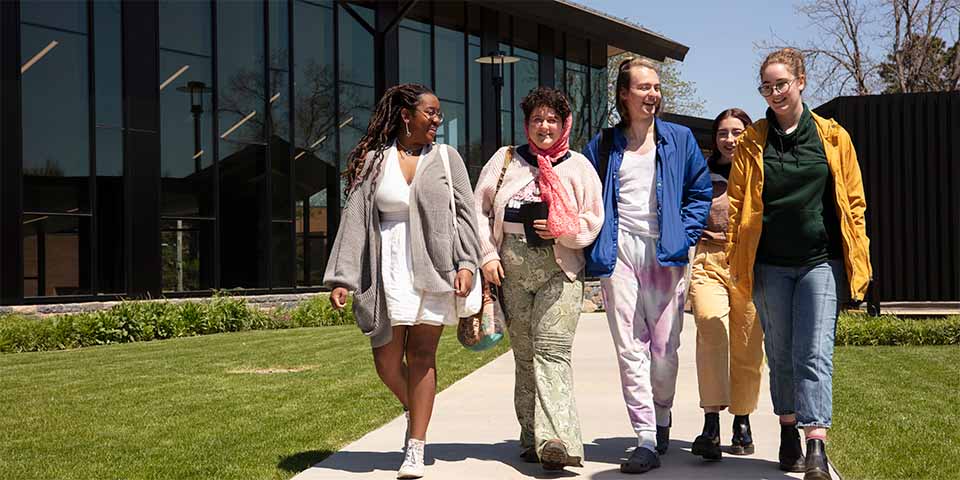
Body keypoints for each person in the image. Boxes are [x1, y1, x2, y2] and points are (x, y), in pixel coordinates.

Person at [721, 48, 871, 480]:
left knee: (814, 353)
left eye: (781, 84)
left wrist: (857, 251)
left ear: (801, 81)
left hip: (818, 262)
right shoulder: (753, 141)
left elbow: (854, 202)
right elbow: (736, 205)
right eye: (766, 87)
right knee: (781, 354)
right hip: (768, 264)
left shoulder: (833, 137)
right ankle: (788, 428)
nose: (774, 93)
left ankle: (816, 446)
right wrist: (736, 256)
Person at [324, 83, 480, 479]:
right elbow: (355, 219)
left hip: (435, 266)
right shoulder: (373, 162)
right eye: (430, 112)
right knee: (387, 359)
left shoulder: (447, 158)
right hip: (387, 268)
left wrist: (466, 263)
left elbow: (465, 215)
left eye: (439, 113)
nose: (437, 119)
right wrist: (342, 277)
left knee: (423, 356)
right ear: (405, 116)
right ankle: (416, 410)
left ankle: (416, 446)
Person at [583, 57, 712, 474]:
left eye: (656, 87)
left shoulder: (679, 139)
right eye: (643, 87)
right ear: (624, 94)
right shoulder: (603, 145)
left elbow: (700, 190)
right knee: (629, 346)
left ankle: (662, 413)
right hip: (618, 251)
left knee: (664, 350)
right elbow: (582, 190)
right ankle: (644, 437)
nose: (653, 94)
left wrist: (686, 234)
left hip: (665, 253)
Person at [474, 86, 603, 472]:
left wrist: (562, 230)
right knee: (525, 358)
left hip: (560, 271)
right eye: (537, 119)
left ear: (565, 124)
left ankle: (557, 439)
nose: (544, 126)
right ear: (527, 124)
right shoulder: (506, 161)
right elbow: (479, 212)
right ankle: (531, 436)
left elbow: (593, 219)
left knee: (552, 352)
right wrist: (487, 256)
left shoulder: (578, 166)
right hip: (511, 271)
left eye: (552, 119)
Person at [688, 108, 764, 462]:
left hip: (748, 263)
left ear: (748, 134)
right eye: (723, 133)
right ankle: (711, 422)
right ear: (714, 137)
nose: (730, 139)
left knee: (748, 345)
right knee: (709, 327)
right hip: (709, 259)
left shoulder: (760, 170)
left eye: (737, 132)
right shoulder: (702, 172)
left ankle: (743, 420)